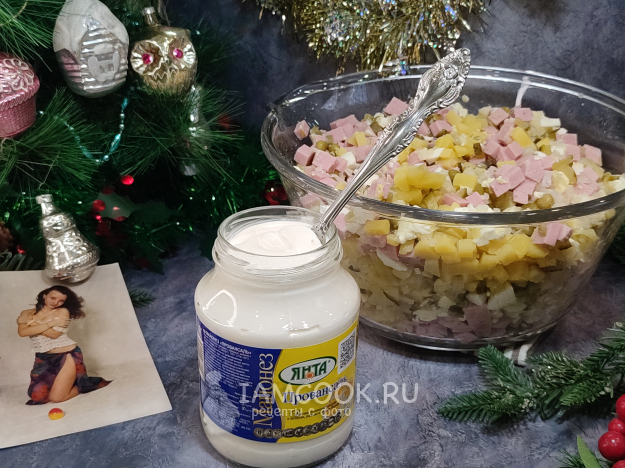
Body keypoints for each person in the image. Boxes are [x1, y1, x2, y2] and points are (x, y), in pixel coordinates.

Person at [16, 285, 111, 405]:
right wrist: (51, 323)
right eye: (53, 298)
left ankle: (82, 386)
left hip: (67, 355)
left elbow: (54, 334)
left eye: (61, 300)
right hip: (43, 357)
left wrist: (31, 325)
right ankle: (66, 383)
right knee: (37, 396)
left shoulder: (62, 311)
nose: (56, 302)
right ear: (44, 295)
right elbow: (22, 332)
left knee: (56, 398)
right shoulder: (26, 312)